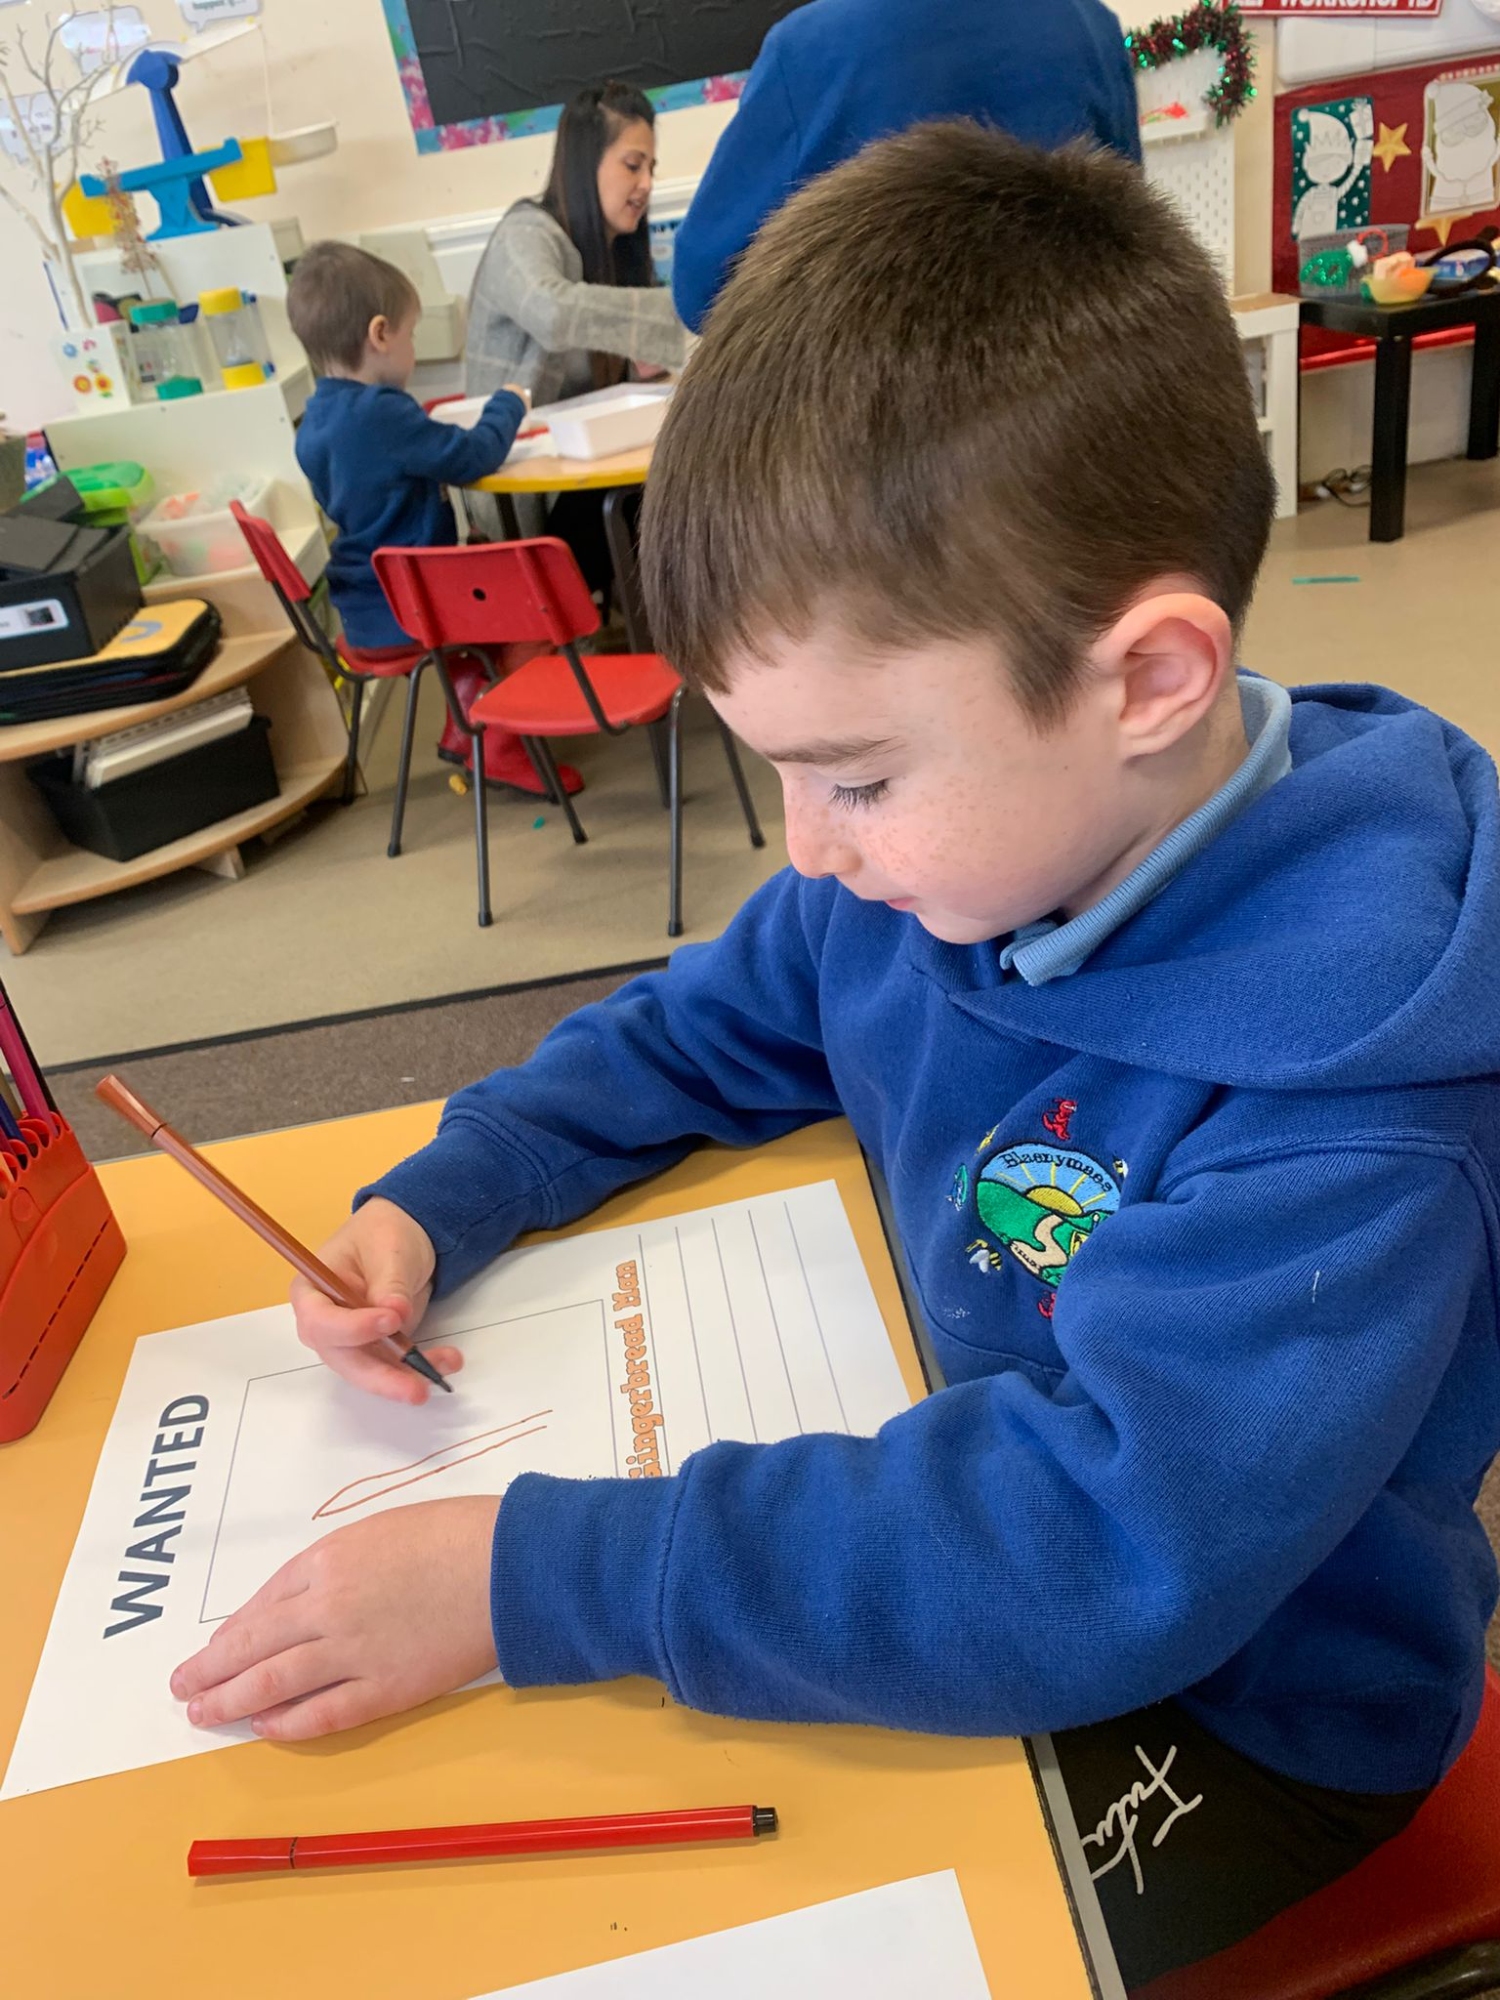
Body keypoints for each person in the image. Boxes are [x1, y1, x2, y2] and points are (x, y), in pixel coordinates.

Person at [177, 130, 1500, 1991]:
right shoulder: (956, 858)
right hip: (971, 1512)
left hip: (1249, 1704)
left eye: (856, 777)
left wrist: (529, 1578)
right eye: (782, 772)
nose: (808, 849)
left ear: (1147, 682)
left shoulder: (1355, 1108)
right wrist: (449, 1192)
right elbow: (702, 1027)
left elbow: (1094, 1549)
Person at [288, 242, 579, 799]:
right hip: (410, 607)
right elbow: (473, 457)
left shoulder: (316, 419)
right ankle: (499, 744)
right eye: (412, 335)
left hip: (363, 606)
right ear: (380, 334)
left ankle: (466, 718)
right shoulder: (382, 414)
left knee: (492, 575)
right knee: (535, 606)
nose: (413, 349)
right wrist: (508, 404)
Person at [670, 0, 1144, 331]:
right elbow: (1133, 234)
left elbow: (702, 291)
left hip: (881, 419)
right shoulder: (1091, 24)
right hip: (1077, 404)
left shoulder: (810, 48)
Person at [464, 81, 690, 600]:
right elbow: (554, 311)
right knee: (671, 511)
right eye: (632, 165)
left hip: (582, 479)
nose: (646, 184)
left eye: (651, 169)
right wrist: (680, 317)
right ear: (586, 163)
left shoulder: (613, 252)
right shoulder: (525, 234)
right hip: (527, 500)